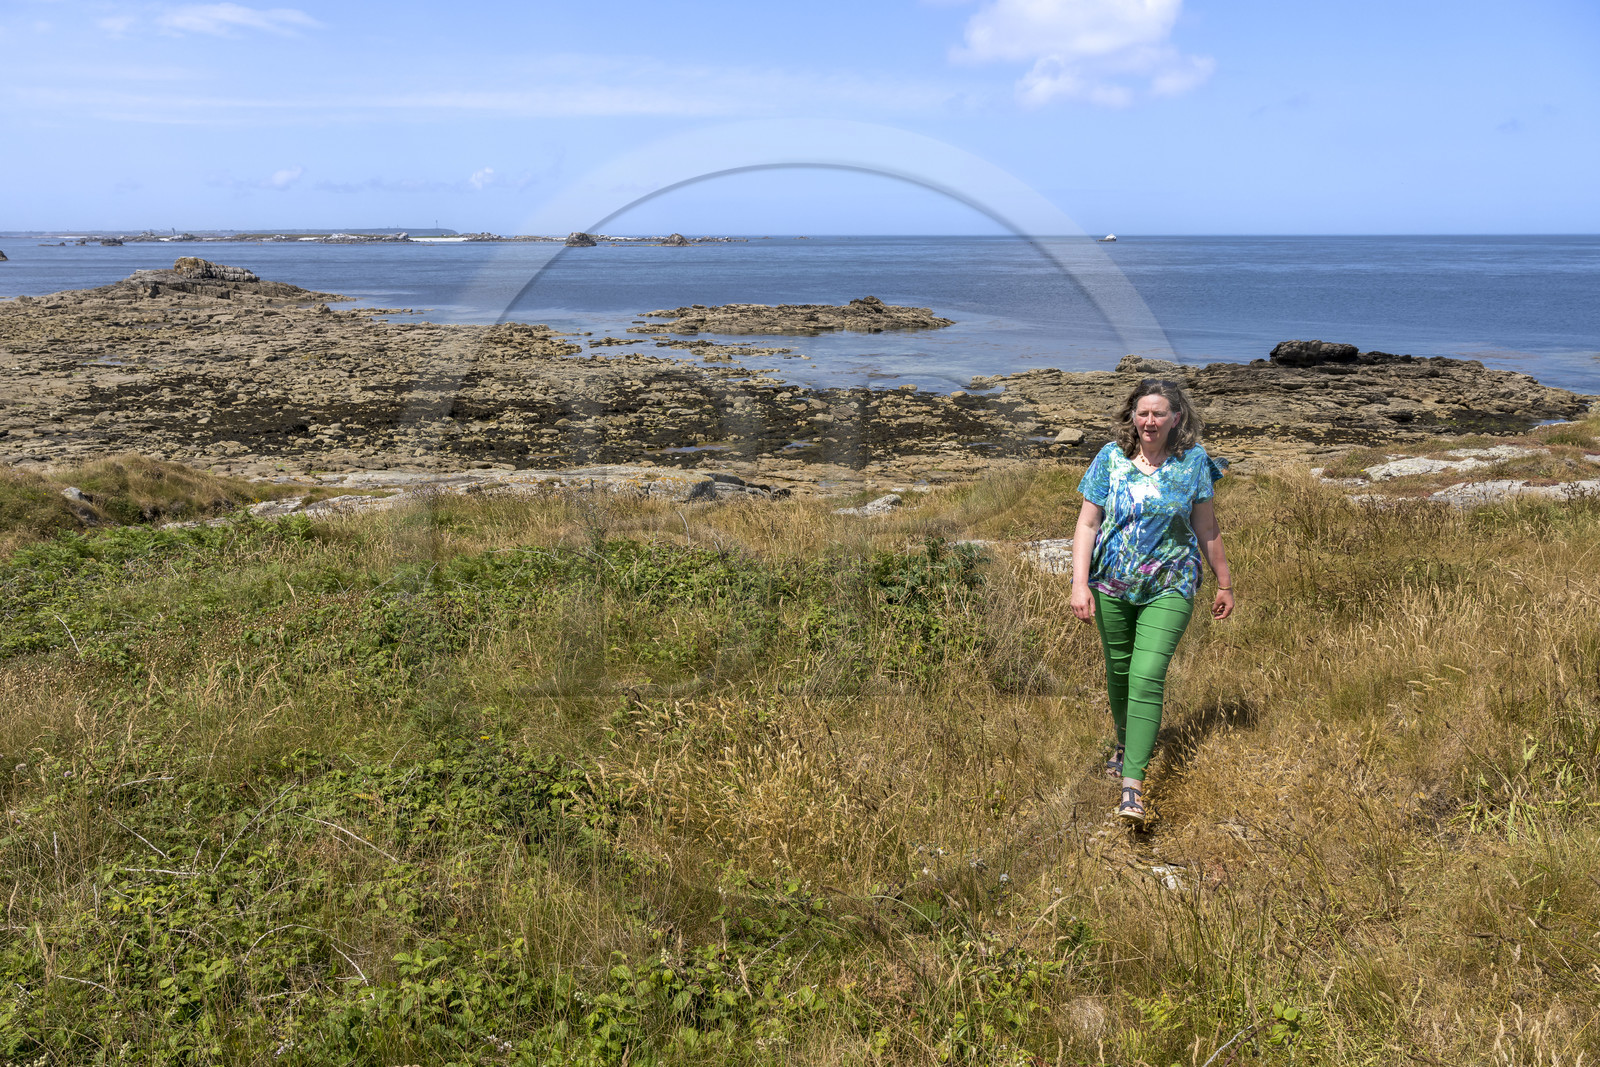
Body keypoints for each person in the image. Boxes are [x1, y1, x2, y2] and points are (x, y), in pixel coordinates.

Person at [1070, 378, 1234, 826]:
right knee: (1120, 671)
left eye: (1159, 413)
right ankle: (1126, 742)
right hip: (1110, 585)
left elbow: (1207, 527)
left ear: (1175, 418)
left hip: (1171, 584)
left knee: (1146, 677)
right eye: (1143, 412)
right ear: (1133, 415)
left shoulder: (1193, 461)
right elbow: (1087, 524)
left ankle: (1133, 787)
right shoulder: (1110, 458)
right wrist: (1079, 584)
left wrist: (1224, 583)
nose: (1149, 421)